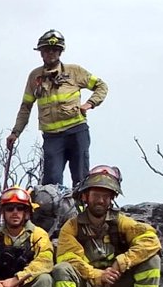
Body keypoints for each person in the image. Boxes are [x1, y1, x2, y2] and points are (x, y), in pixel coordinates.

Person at [51, 166, 163, 287]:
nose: (101, 200)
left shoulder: (121, 222)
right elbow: (69, 258)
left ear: (112, 198)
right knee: (61, 270)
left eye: (106, 195)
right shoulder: (72, 227)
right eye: (96, 194)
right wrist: (96, 275)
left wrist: (122, 263)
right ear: (85, 196)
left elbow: (150, 240)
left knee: (151, 259)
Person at [6, 30, 109, 188]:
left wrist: (90, 104)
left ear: (60, 51)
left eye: (54, 49)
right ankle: (55, 212)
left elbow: (101, 86)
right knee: (51, 184)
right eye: (46, 49)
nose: (50, 53)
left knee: (81, 180)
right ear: (41, 53)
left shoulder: (74, 71)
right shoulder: (35, 77)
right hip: (52, 138)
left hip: (77, 132)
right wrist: (15, 132)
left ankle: (81, 211)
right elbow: (26, 107)